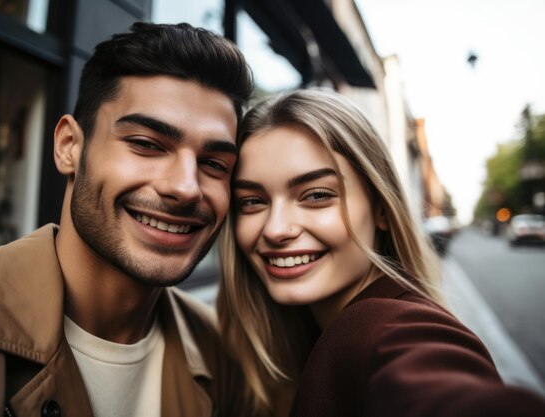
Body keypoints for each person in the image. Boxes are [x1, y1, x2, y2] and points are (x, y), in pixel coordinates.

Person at [0, 22, 253, 417]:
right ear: (69, 147)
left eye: (214, 163)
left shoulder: (225, 355)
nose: (185, 188)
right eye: (146, 144)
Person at [217, 89, 545, 417]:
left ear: (381, 210)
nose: (275, 229)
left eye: (316, 195)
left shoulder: (394, 330)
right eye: (252, 201)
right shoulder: (287, 336)